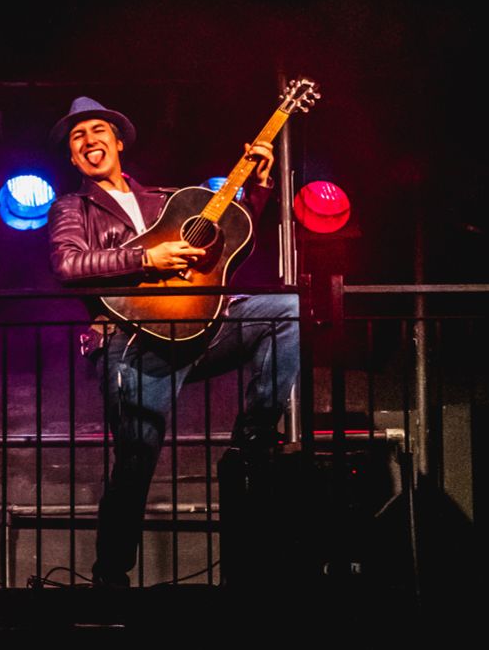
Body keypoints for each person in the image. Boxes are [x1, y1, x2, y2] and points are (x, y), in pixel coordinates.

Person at [47, 96, 300, 588]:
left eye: (98, 131)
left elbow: (226, 238)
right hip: (130, 341)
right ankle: (111, 577)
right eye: (78, 137)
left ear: (118, 143)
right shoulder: (71, 207)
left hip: (197, 329)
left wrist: (259, 186)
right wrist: (147, 258)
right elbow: (68, 265)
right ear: (73, 158)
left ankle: (252, 441)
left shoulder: (166, 200)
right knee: (136, 463)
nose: (89, 140)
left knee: (283, 311)